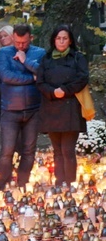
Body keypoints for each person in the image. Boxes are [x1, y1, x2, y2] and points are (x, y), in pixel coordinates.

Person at [37, 25, 89, 186]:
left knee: (67, 150)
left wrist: (64, 90)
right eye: (58, 38)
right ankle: (60, 183)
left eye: (64, 38)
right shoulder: (46, 59)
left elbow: (82, 78)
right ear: (54, 40)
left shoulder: (77, 57)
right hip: (51, 107)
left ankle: (71, 183)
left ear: (70, 40)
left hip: (70, 108)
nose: (61, 41)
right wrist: (52, 92)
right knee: (57, 151)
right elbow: (40, 81)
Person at [0, 23, 45, 190]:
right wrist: (31, 78)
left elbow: (44, 73)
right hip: (10, 109)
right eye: (17, 42)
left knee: (28, 151)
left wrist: (26, 61)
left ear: (30, 38)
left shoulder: (39, 53)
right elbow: (6, 76)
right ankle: (3, 184)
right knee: (7, 151)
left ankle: (23, 183)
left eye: (24, 42)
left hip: (33, 108)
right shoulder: (4, 53)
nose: (20, 46)